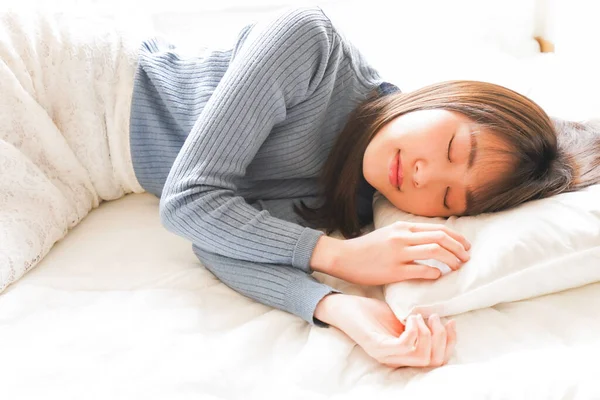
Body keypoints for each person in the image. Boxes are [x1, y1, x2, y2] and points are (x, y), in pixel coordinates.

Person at [129, 6, 600, 369]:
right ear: (450, 98)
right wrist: (340, 258)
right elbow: (188, 202)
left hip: (94, 171)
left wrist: (335, 307)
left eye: (446, 199)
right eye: (454, 148)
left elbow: (217, 242)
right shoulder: (310, 44)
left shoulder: (352, 200)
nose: (423, 176)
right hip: (79, 87)